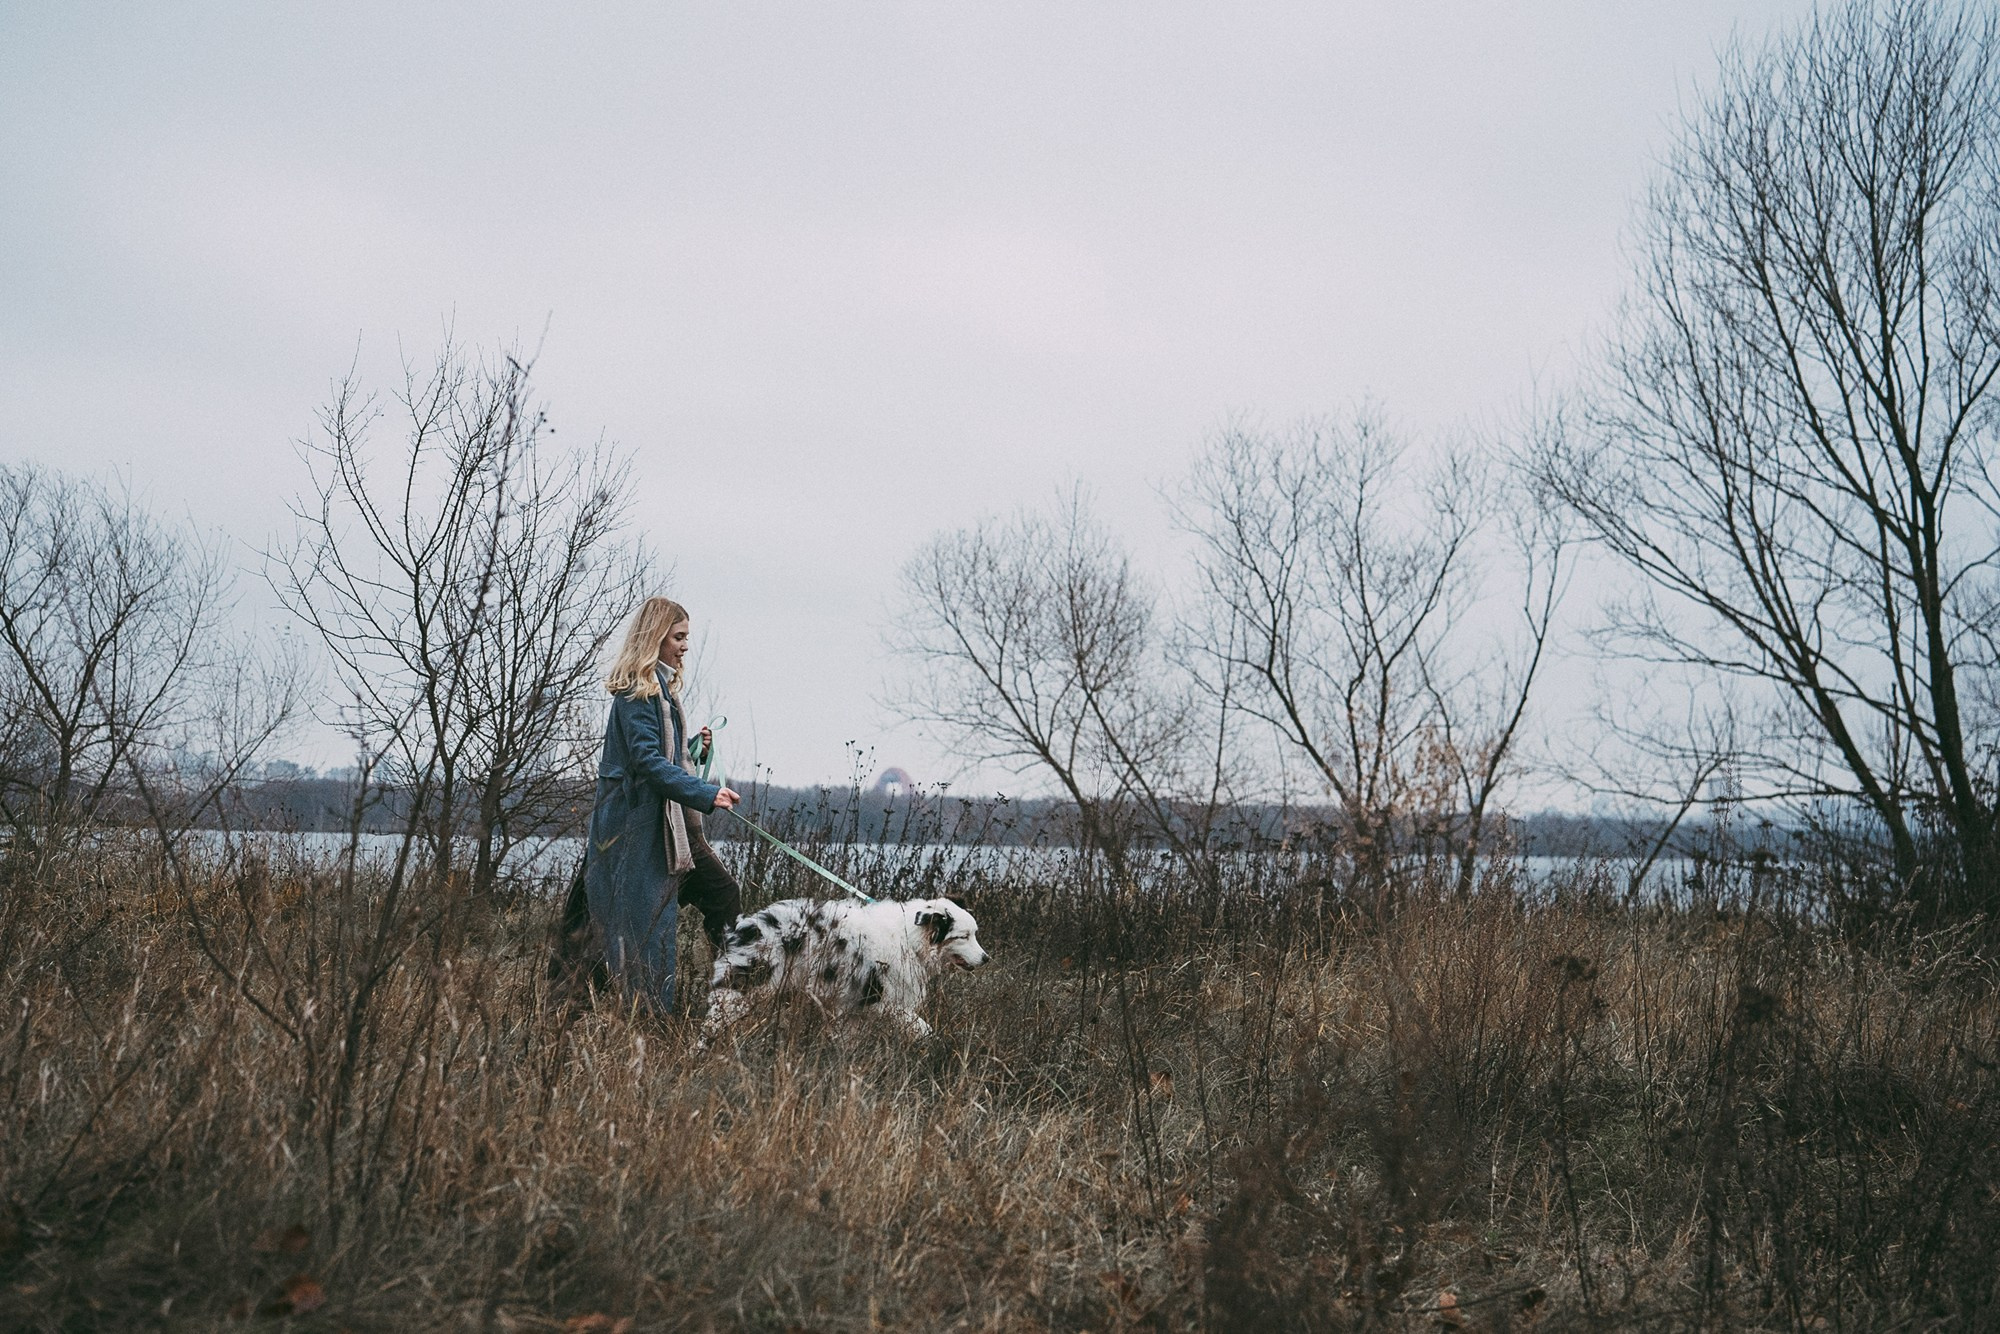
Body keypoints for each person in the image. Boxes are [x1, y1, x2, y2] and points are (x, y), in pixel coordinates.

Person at [581, 596, 743, 1011]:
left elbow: (663, 757)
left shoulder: (663, 690)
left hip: (672, 829)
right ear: (656, 637)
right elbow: (647, 762)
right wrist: (707, 794)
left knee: (722, 895)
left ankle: (730, 991)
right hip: (637, 831)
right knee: (627, 930)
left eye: (687, 636)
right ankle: (641, 1020)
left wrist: (694, 750)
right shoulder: (639, 691)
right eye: (679, 636)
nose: (686, 645)